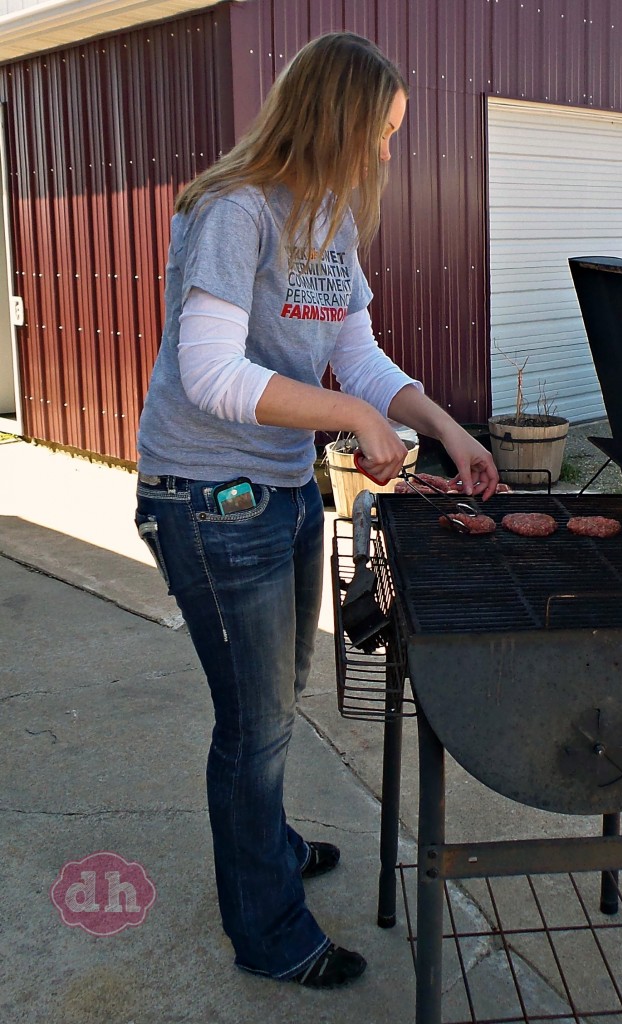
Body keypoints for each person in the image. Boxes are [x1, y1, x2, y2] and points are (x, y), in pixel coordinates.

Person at [134, 31, 499, 991]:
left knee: (279, 696)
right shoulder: (235, 211)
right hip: (208, 496)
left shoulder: (329, 218)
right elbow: (211, 374)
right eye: (382, 132)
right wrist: (346, 421)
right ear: (337, 119)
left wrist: (445, 429)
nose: (388, 152)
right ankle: (268, 931)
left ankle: (270, 844)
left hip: (283, 488)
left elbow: (362, 358)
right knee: (252, 724)